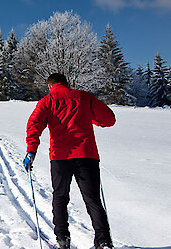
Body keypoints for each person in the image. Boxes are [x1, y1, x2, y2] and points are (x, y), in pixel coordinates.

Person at [23, 73, 116, 249]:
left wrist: (31, 150)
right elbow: (109, 119)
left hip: (60, 158)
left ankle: (62, 238)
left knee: (60, 197)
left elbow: (34, 124)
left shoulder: (47, 102)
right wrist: (92, 118)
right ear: (67, 83)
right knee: (93, 199)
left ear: (50, 86)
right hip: (87, 156)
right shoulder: (84, 97)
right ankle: (103, 241)